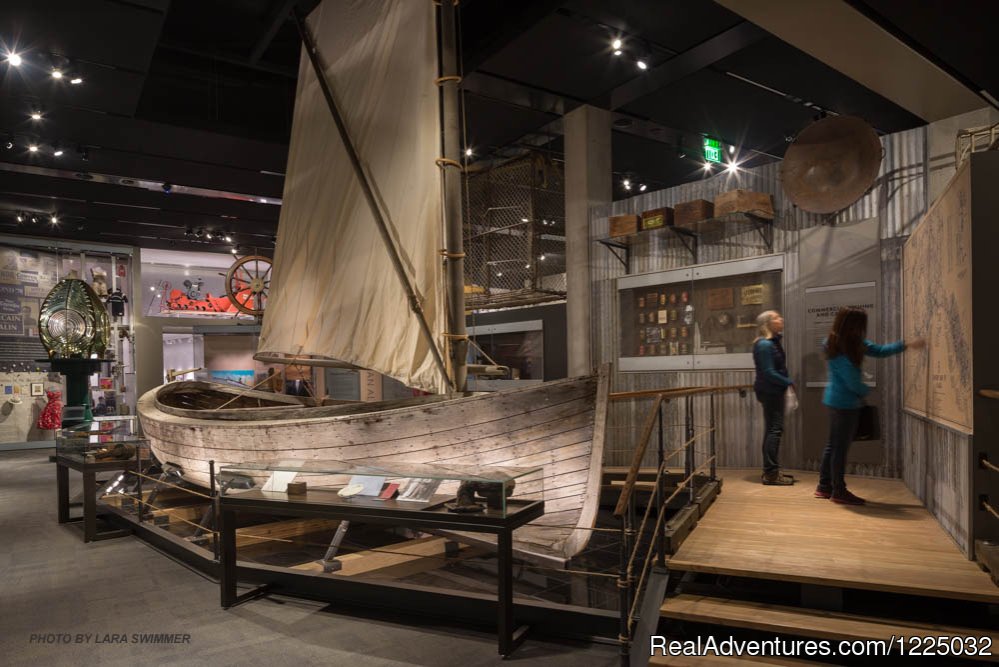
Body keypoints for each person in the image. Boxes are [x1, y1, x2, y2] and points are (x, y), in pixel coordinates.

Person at [817, 307, 924, 505]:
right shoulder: (837, 345)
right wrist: (864, 390)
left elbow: (880, 351)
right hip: (844, 404)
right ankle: (838, 491)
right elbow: (850, 379)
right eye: (860, 325)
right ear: (852, 325)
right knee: (839, 448)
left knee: (834, 446)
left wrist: (906, 345)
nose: (862, 330)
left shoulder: (846, 342)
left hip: (836, 402)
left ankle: (824, 487)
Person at [752, 310, 794, 485]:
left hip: (773, 390)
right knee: (774, 430)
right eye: (776, 318)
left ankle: (770, 471)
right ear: (768, 323)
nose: (781, 319)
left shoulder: (772, 343)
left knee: (773, 430)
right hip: (770, 391)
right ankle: (770, 473)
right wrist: (789, 382)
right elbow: (769, 372)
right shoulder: (764, 345)